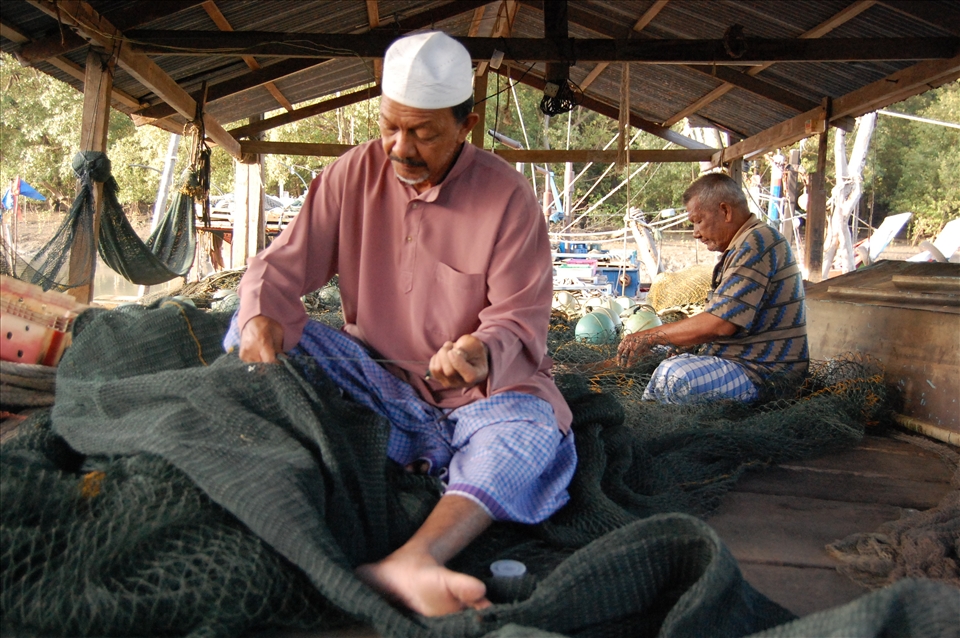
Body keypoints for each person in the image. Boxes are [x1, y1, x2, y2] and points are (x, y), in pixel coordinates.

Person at [225, 31, 576, 617]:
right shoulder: (351, 174)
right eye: (390, 126)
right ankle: (410, 456)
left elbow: (519, 319)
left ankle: (416, 559)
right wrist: (262, 316)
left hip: (482, 401)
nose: (400, 148)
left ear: (465, 125)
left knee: (532, 433)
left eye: (424, 133)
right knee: (244, 330)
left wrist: (480, 352)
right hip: (378, 385)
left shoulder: (508, 198)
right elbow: (279, 267)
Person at [618, 172, 808, 403]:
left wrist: (650, 336)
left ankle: (651, 415)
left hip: (765, 375)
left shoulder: (756, 242)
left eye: (698, 221)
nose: (695, 233)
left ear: (725, 211)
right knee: (658, 356)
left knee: (673, 374)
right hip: (740, 363)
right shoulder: (744, 243)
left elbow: (720, 324)